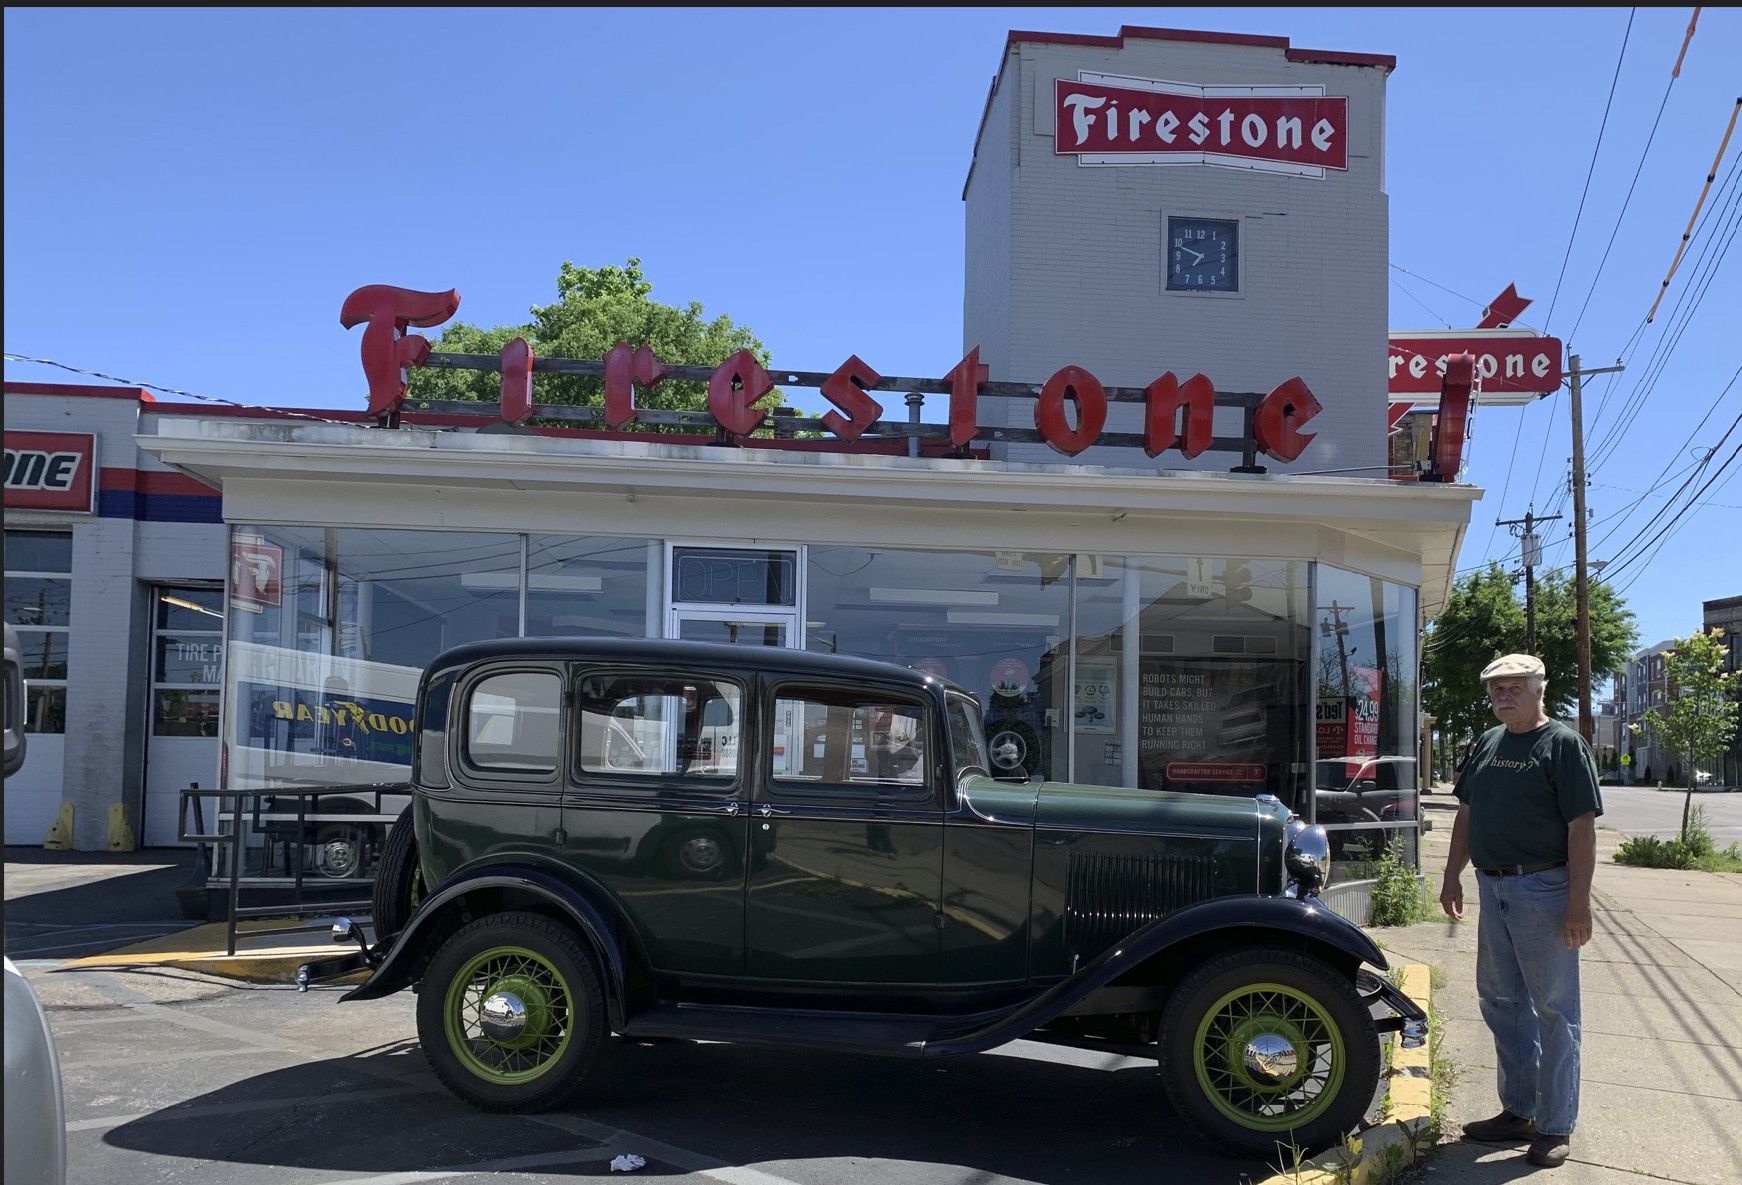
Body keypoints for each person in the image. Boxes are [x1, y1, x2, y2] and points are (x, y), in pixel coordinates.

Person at [1440, 654, 1601, 1170]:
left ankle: (1554, 1126)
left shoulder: (1563, 745)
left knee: (1554, 1010)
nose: (1503, 695)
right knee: (1501, 1001)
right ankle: (1519, 1111)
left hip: (1545, 889)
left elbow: (1581, 827)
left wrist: (1579, 901)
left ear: (1538, 690)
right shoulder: (1488, 742)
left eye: (1514, 686)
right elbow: (1467, 813)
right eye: (1496, 689)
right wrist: (1451, 875)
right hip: (1493, 889)